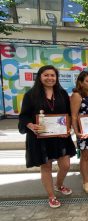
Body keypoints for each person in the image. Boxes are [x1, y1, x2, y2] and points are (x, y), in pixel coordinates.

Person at [18, 65, 76, 208]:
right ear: (40, 77)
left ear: (56, 78)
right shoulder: (30, 95)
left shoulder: (62, 93)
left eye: (53, 75)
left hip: (60, 137)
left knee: (66, 165)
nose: (50, 78)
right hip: (40, 138)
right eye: (46, 75)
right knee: (46, 167)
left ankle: (59, 184)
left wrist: (69, 128)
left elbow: (68, 114)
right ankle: (51, 196)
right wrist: (31, 125)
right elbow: (24, 116)